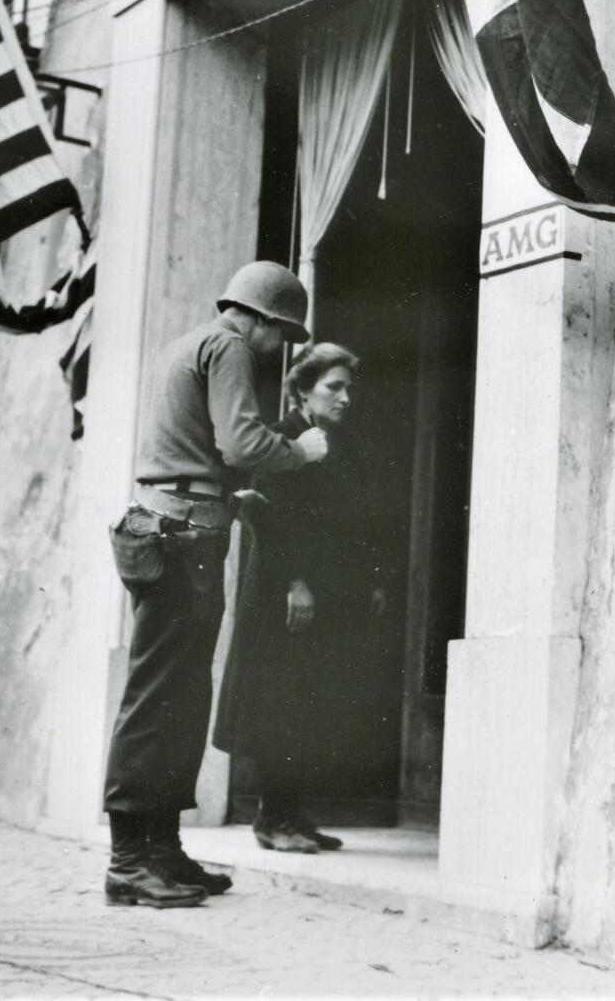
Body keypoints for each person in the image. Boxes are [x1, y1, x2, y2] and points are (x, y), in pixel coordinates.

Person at [103, 261, 329, 907]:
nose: (278, 349)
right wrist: (299, 453)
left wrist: (234, 488)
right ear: (259, 318)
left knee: (176, 698)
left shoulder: (191, 343)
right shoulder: (228, 347)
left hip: (175, 529)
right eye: (282, 334)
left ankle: (163, 852)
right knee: (159, 700)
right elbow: (239, 440)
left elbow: (202, 448)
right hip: (185, 540)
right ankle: (128, 861)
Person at [214, 342, 387, 853]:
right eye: (334, 387)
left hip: (328, 591)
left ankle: (294, 813)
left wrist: (372, 581)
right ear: (302, 390)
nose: (345, 397)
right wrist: (294, 583)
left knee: (313, 701)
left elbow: (355, 522)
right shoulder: (285, 439)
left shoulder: (339, 442)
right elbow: (268, 514)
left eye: (348, 387)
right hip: (284, 593)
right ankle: (272, 818)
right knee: (281, 702)